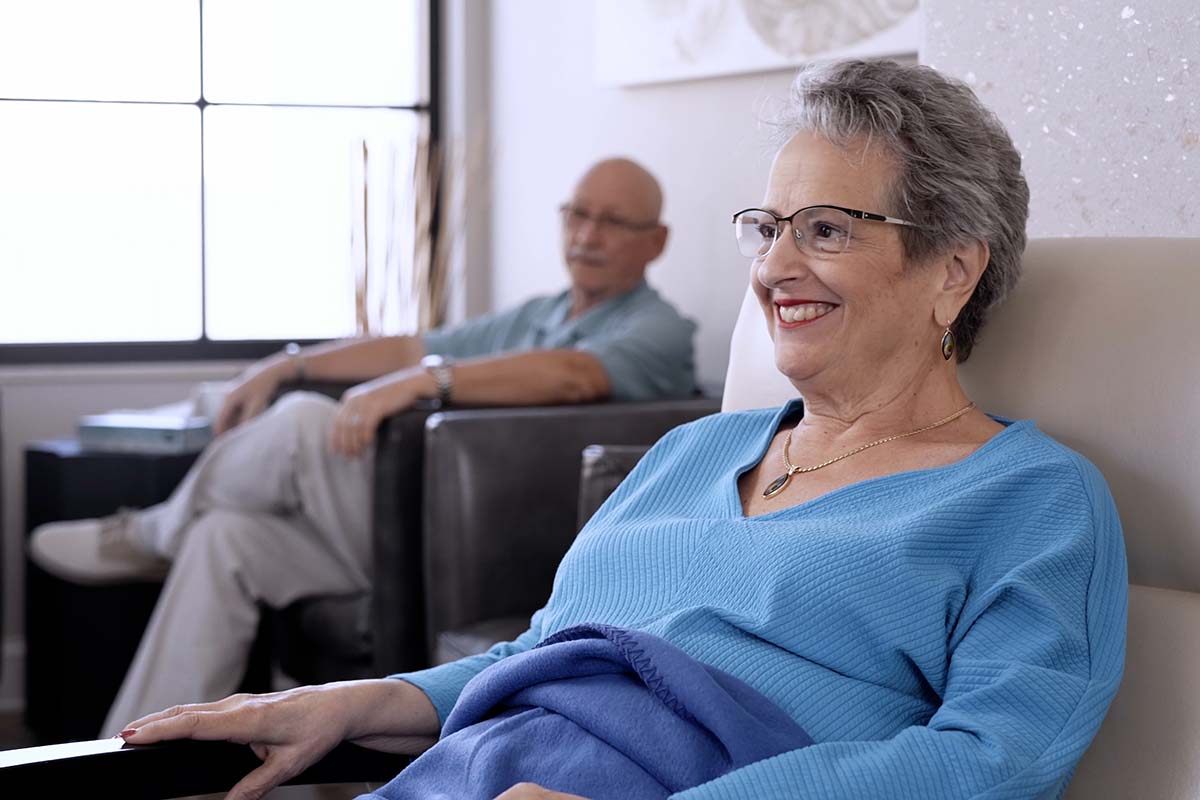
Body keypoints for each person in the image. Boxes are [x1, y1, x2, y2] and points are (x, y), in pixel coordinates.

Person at [114, 60, 1127, 800]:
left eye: (824, 227)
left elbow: (994, 759)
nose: (774, 267)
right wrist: (362, 700)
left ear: (954, 267)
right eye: (767, 227)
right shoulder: (692, 450)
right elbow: (545, 651)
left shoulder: (1029, 497)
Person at [28, 157, 698, 737]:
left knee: (299, 424)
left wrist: (417, 381)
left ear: (657, 240)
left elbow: (572, 376)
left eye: (613, 221)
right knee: (224, 538)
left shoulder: (658, 328)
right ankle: (139, 756)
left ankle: (149, 534)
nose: (586, 235)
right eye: (577, 213)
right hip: (391, 535)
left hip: (477, 552)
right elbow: (410, 343)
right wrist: (285, 363)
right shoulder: (538, 314)